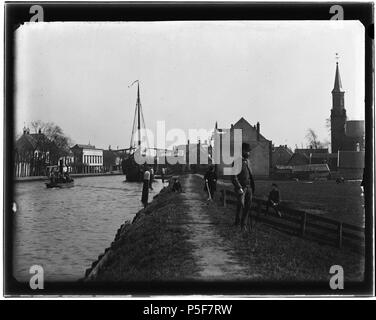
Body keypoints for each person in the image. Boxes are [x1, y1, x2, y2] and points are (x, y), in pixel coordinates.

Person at [232, 142, 255, 231]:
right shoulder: (237, 161)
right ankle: (237, 222)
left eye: (249, 151)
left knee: (248, 206)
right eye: (247, 151)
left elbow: (250, 175)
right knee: (240, 205)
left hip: (249, 188)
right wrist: (239, 188)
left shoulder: (248, 162)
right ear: (242, 151)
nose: (249, 153)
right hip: (241, 188)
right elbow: (233, 177)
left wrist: (252, 187)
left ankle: (243, 225)